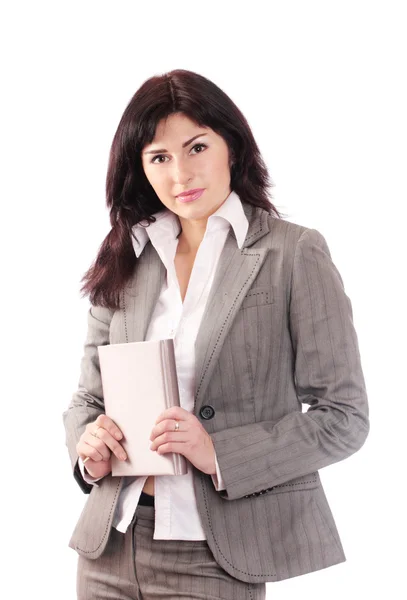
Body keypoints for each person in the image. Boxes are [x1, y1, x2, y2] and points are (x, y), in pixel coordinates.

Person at [63, 69, 370, 600]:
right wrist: (87, 445)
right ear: (140, 169)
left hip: (214, 554)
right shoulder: (126, 257)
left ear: (233, 145)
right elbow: (89, 398)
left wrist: (219, 452)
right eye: (159, 157)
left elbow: (344, 418)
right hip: (109, 548)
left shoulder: (293, 254)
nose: (181, 173)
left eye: (197, 147)